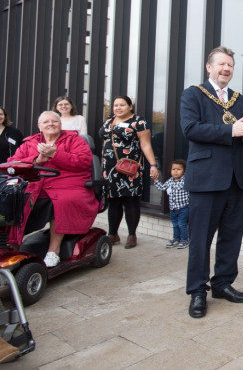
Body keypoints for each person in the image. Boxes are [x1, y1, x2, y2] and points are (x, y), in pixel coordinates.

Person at [180, 46, 243, 319]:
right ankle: (197, 291)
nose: (226, 69)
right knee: (201, 240)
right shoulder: (193, 94)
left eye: (230, 65)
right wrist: (233, 130)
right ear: (209, 67)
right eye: (221, 64)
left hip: (235, 179)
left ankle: (222, 284)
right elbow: (191, 129)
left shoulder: (239, 100)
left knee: (231, 237)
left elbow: (242, 135)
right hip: (206, 179)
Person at [8, 111, 99, 267]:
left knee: (60, 201)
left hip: (69, 183)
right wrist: (37, 159)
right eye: (46, 122)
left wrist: (56, 154)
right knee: (13, 199)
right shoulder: (30, 143)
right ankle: (13, 247)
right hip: (37, 183)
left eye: (54, 121)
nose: (50, 124)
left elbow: (83, 162)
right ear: (39, 126)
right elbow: (12, 163)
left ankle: (53, 251)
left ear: (60, 124)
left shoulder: (74, 140)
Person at [99, 95, 159, 249]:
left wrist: (153, 164)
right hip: (110, 167)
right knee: (113, 200)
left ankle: (132, 234)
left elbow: (145, 145)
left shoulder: (139, 121)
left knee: (130, 200)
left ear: (130, 106)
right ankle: (113, 234)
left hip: (130, 167)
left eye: (122, 105)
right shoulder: (109, 121)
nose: (118, 108)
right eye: (115, 105)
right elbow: (105, 141)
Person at [153, 159, 189, 249]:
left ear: (184, 171)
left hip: (183, 208)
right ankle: (176, 239)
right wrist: (156, 180)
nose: (175, 171)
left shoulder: (186, 180)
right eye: (173, 169)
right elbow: (162, 187)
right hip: (173, 208)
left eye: (179, 169)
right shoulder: (170, 181)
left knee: (181, 224)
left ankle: (184, 240)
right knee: (175, 224)